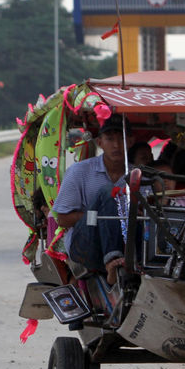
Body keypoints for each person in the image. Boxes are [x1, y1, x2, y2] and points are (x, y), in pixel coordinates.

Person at [52, 114, 129, 283]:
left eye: (121, 139)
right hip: (86, 242)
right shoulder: (79, 172)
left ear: (129, 141)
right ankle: (112, 262)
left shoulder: (138, 174)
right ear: (100, 142)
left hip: (128, 241)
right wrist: (101, 217)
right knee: (111, 192)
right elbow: (63, 219)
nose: (116, 145)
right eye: (110, 139)